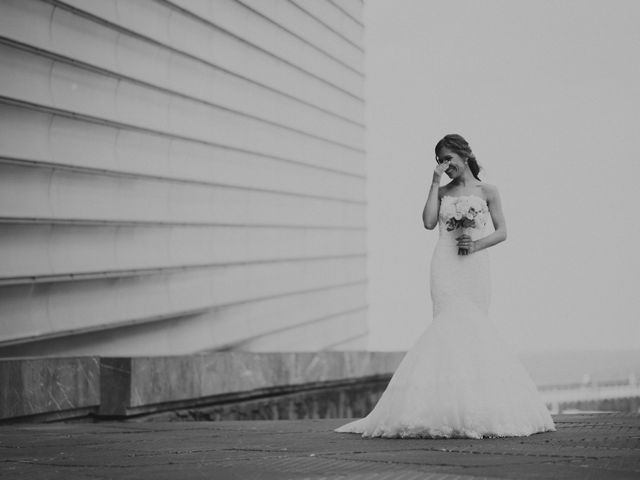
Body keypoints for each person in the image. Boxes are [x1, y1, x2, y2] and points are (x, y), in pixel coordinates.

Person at [335, 134, 556, 438]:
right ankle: (444, 409)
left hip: (475, 266)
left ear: (465, 155)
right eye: (440, 160)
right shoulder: (442, 191)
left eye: (448, 158)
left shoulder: (488, 190)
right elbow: (427, 223)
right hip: (445, 265)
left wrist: (476, 244)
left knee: (476, 330)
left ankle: (477, 408)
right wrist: (433, 183)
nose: (445, 165)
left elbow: (503, 231)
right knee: (446, 329)